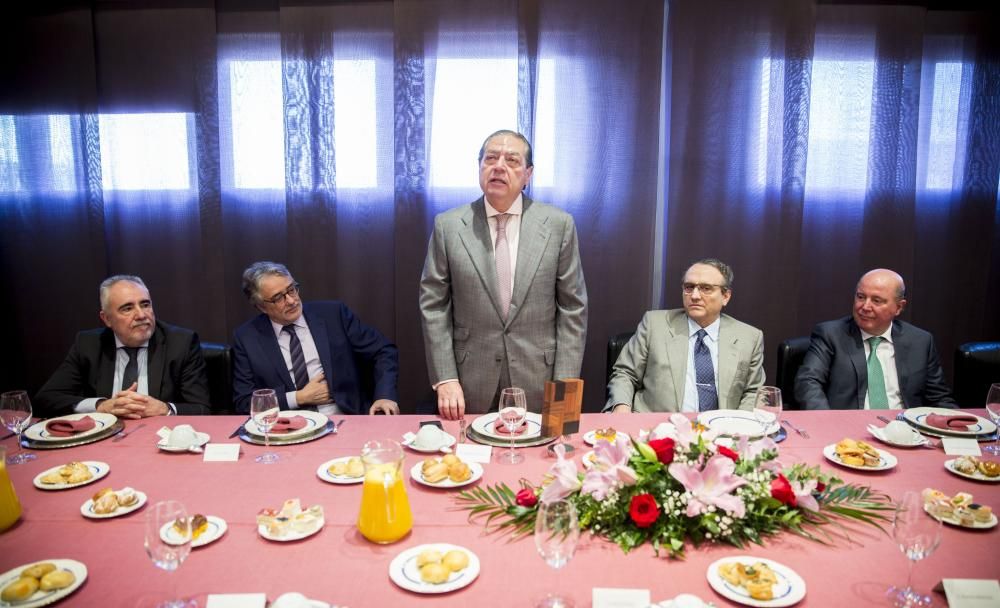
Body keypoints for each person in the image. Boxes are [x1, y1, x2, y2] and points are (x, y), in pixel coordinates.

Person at [420, 129, 588, 419]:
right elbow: (433, 305)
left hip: (541, 379)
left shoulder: (559, 225)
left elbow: (573, 309)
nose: (499, 166)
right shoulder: (448, 226)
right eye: (491, 158)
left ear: (528, 174)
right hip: (468, 382)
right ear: (480, 167)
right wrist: (445, 379)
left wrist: (565, 392)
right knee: (469, 462)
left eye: (511, 160)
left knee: (543, 462)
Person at [232, 261, 399, 415]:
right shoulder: (247, 338)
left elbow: (383, 351)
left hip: (345, 420)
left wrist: (384, 395)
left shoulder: (333, 315)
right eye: (278, 298)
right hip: (287, 430)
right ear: (261, 306)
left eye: (291, 289)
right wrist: (298, 398)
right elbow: (245, 402)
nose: (291, 300)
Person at [35, 275, 211, 418]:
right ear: (107, 319)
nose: (141, 314)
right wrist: (100, 405)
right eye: (127, 308)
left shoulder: (181, 343)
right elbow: (46, 399)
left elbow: (202, 408)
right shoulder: (88, 345)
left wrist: (164, 409)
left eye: (145, 304)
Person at [605, 259, 764, 413]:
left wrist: (739, 426)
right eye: (689, 287)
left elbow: (753, 391)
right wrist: (622, 408)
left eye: (706, 288)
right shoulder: (655, 324)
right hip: (657, 428)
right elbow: (625, 374)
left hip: (721, 431)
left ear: (725, 296)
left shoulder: (749, 337)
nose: (694, 295)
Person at [795, 268, 957, 410]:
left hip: (904, 430)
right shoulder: (831, 334)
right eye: (860, 297)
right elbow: (808, 382)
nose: (865, 306)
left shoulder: (921, 341)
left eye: (876, 300)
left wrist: (957, 429)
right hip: (849, 432)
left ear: (899, 307)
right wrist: (827, 422)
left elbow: (938, 398)